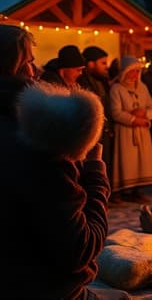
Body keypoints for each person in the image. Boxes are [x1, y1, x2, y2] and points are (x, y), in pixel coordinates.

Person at [2, 81, 111, 299]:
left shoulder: (11, 137)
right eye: (30, 62)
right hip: (43, 289)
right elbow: (80, 248)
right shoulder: (49, 165)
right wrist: (96, 175)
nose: (35, 74)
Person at [109, 56, 152, 204]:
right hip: (125, 132)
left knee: (141, 161)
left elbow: (151, 107)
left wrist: (145, 115)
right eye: (132, 71)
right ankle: (121, 191)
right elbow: (115, 112)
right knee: (125, 161)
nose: (135, 74)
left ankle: (137, 190)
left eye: (137, 71)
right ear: (125, 72)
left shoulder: (142, 88)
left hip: (142, 130)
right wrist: (133, 119)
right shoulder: (117, 89)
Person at [79, 46, 114, 179]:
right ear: (91, 64)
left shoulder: (103, 82)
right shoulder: (83, 83)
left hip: (103, 131)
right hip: (91, 133)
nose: (106, 67)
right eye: (103, 63)